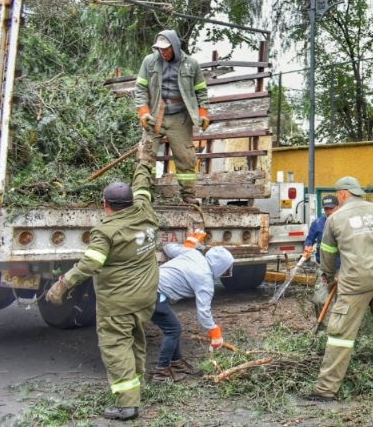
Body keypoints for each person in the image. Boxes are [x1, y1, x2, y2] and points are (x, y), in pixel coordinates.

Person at [46, 140, 160, 421]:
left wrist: (63, 284)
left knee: (114, 345)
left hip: (117, 300)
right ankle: (136, 384)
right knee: (135, 338)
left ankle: (127, 404)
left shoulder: (105, 230)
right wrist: (144, 160)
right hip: (146, 295)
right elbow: (143, 185)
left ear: (105, 204)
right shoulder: (145, 210)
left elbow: (90, 264)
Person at [308, 176, 373, 401]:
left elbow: (328, 254)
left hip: (354, 282)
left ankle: (326, 389)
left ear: (342, 194)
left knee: (340, 335)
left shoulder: (335, 218)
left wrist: (329, 277)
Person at [134, 29, 210, 205]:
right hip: (154, 114)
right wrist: (143, 111)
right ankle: (142, 194)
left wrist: (203, 113)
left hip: (180, 117)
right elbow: (140, 89)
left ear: (175, 46)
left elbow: (201, 91)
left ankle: (188, 195)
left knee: (186, 157)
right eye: (160, 49)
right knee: (145, 155)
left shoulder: (191, 64)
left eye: (166, 49)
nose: (163, 52)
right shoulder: (149, 62)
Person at [150, 234, 235, 382]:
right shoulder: (205, 280)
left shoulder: (193, 253)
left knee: (173, 328)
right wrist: (214, 331)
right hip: (152, 294)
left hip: (146, 284)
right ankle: (161, 372)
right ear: (220, 267)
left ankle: (176, 363)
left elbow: (167, 247)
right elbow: (203, 312)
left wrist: (188, 245)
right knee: (174, 330)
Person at [306, 195, 339, 262]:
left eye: (331, 208)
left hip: (342, 264)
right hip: (322, 263)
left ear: (338, 207)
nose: (329, 212)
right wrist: (308, 246)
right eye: (326, 209)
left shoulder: (345, 222)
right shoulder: (317, 223)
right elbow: (309, 239)